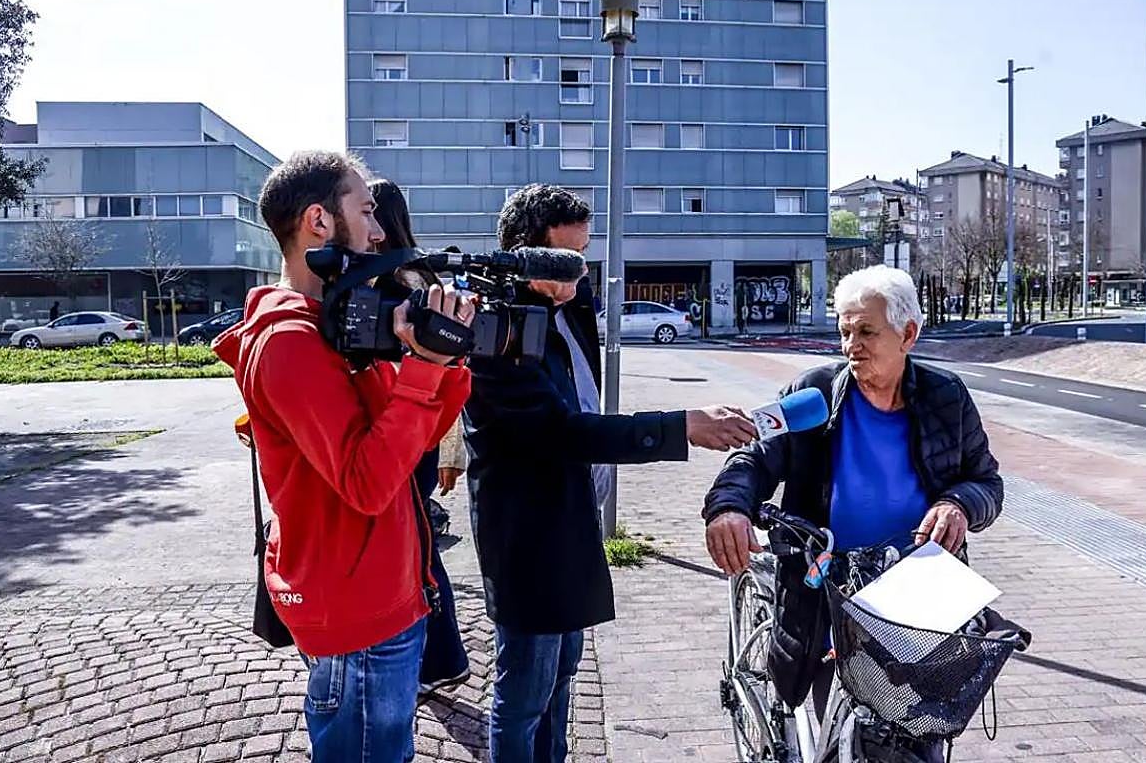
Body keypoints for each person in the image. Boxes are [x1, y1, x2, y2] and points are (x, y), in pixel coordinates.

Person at [463, 183, 758, 763]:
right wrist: (680, 427)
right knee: (524, 691)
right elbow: (562, 430)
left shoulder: (564, 302)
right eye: (564, 262)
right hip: (527, 533)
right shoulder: (494, 331)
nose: (577, 279)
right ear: (525, 254)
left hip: (574, 518)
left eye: (583, 258)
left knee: (563, 675)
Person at [213, 151, 475, 763]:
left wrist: (448, 362)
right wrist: (423, 372)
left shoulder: (330, 326)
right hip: (358, 613)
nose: (381, 231)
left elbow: (410, 438)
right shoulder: (289, 343)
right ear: (319, 222)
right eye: (366, 211)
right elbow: (366, 483)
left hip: (384, 594)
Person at [703, 264, 1003, 722]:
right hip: (826, 587)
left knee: (921, 731)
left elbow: (986, 482)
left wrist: (958, 504)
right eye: (845, 332)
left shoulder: (947, 397)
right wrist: (728, 506)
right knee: (832, 729)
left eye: (866, 332)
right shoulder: (811, 392)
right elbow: (755, 457)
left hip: (917, 592)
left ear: (908, 335)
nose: (851, 347)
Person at [370, 176, 472, 697]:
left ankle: (442, 656)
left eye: (368, 212)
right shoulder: (421, 276)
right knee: (419, 545)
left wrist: (449, 452)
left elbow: (440, 372)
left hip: (405, 432)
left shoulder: (393, 283)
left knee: (419, 551)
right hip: (422, 437)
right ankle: (440, 658)